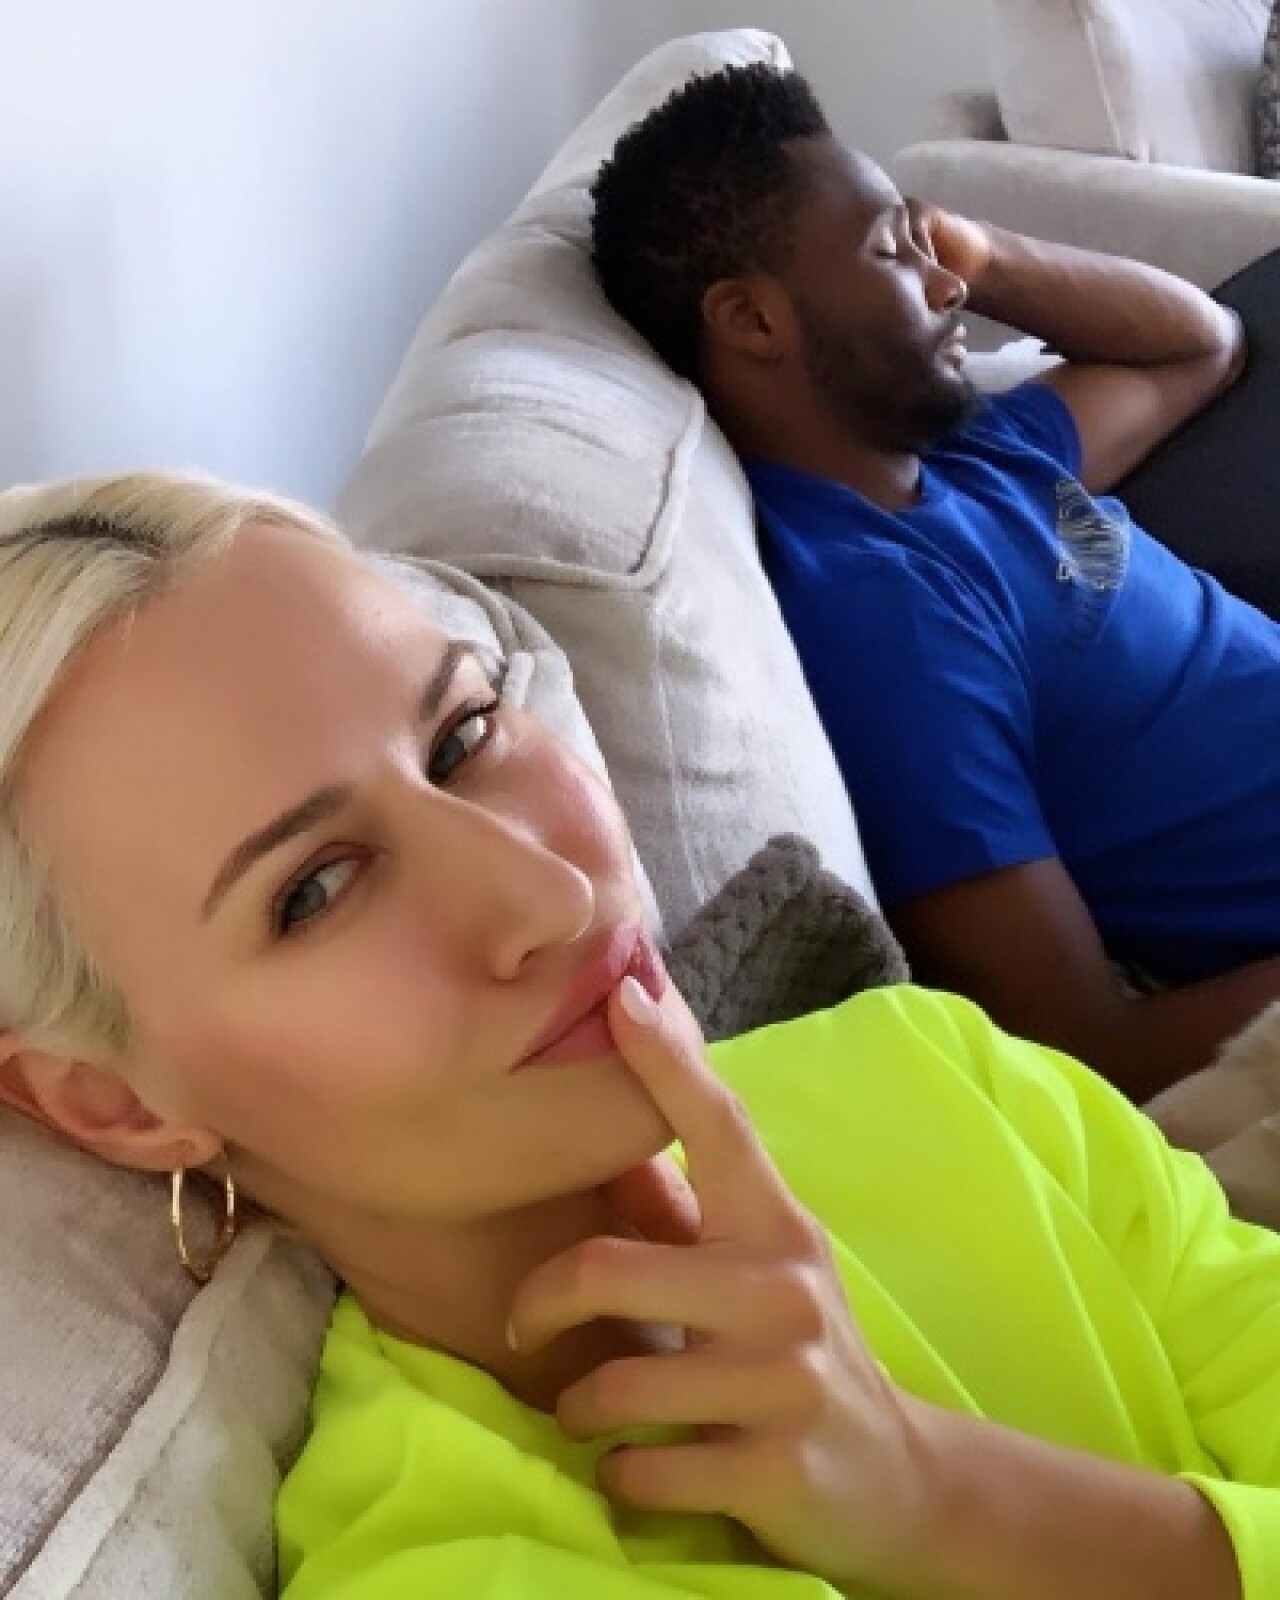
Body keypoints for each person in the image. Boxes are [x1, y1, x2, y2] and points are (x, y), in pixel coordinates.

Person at [0, 471, 1276, 1599]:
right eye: (314, 891)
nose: (548, 894)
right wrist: (941, 1507)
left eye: (461, 736)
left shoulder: (930, 1061)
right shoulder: (448, 1568)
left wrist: (934, 1489)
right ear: (115, 1105)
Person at [588, 63, 1280, 1101]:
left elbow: (1200, 347)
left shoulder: (964, 454)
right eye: (889, 251)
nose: (945, 286)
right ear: (753, 320)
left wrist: (981, 251)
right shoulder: (884, 621)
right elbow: (1085, 1046)